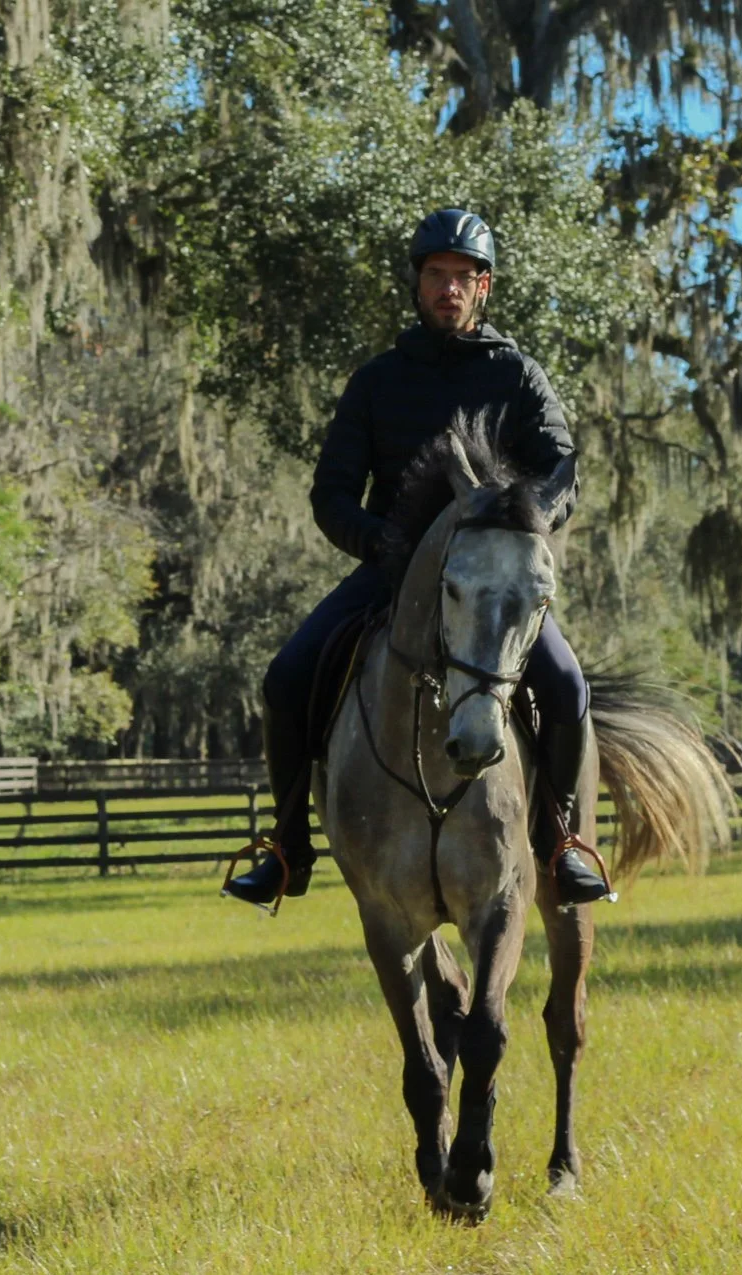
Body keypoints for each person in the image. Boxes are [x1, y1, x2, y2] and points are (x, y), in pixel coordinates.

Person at [222, 208, 610, 908]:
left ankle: (562, 842)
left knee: (568, 688)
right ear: (417, 283)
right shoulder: (377, 381)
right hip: (391, 574)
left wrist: (528, 526)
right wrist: (379, 543)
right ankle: (286, 849)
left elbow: (562, 474)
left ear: (483, 288)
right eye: (437, 275)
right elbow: (331, 492)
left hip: (492, 584)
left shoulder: (518, 375)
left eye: (463, 277)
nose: (449, 289)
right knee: (286, 678)